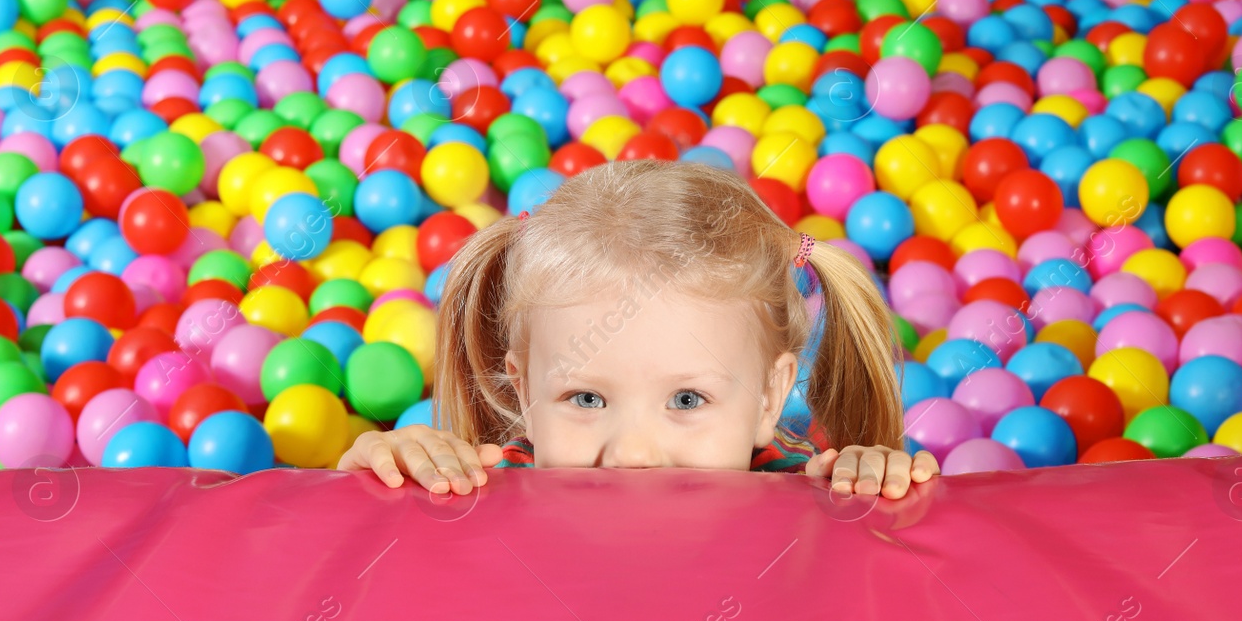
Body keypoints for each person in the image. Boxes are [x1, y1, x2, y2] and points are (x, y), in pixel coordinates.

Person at [337, 160, 938, 498]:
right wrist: (387, 465)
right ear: (523, 391)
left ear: (769, 397)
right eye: (587, 397)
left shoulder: (804, 486)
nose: (632, 455)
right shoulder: (490, 485)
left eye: (686, 399)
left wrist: (872, 473)